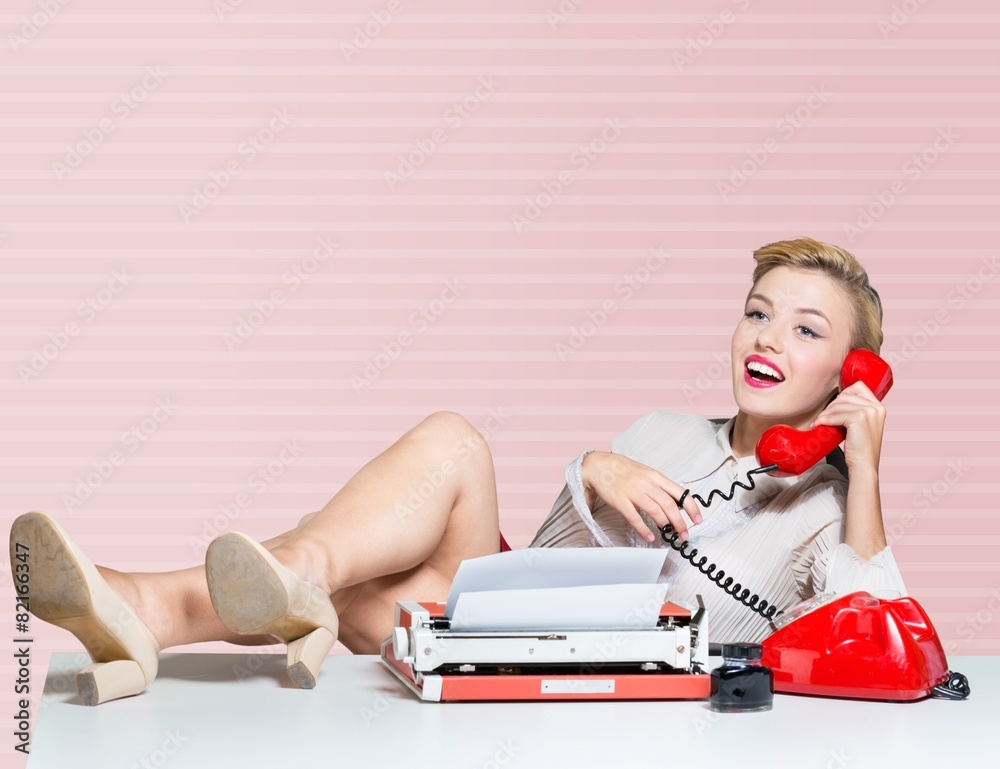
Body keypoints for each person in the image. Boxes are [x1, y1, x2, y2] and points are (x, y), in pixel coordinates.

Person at [9, 237, 905, 705]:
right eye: (758, 312)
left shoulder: (826, 514)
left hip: (593, 684)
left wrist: (861, 469)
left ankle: (153, 604)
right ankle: (294, 579)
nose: (766, 337)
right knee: (454, 439)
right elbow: (537, 567)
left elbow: (883, 634)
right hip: (492, 624)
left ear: (850, 376)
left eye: (806, 329)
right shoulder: (663, 431)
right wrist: (592, 468)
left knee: (377, 582)